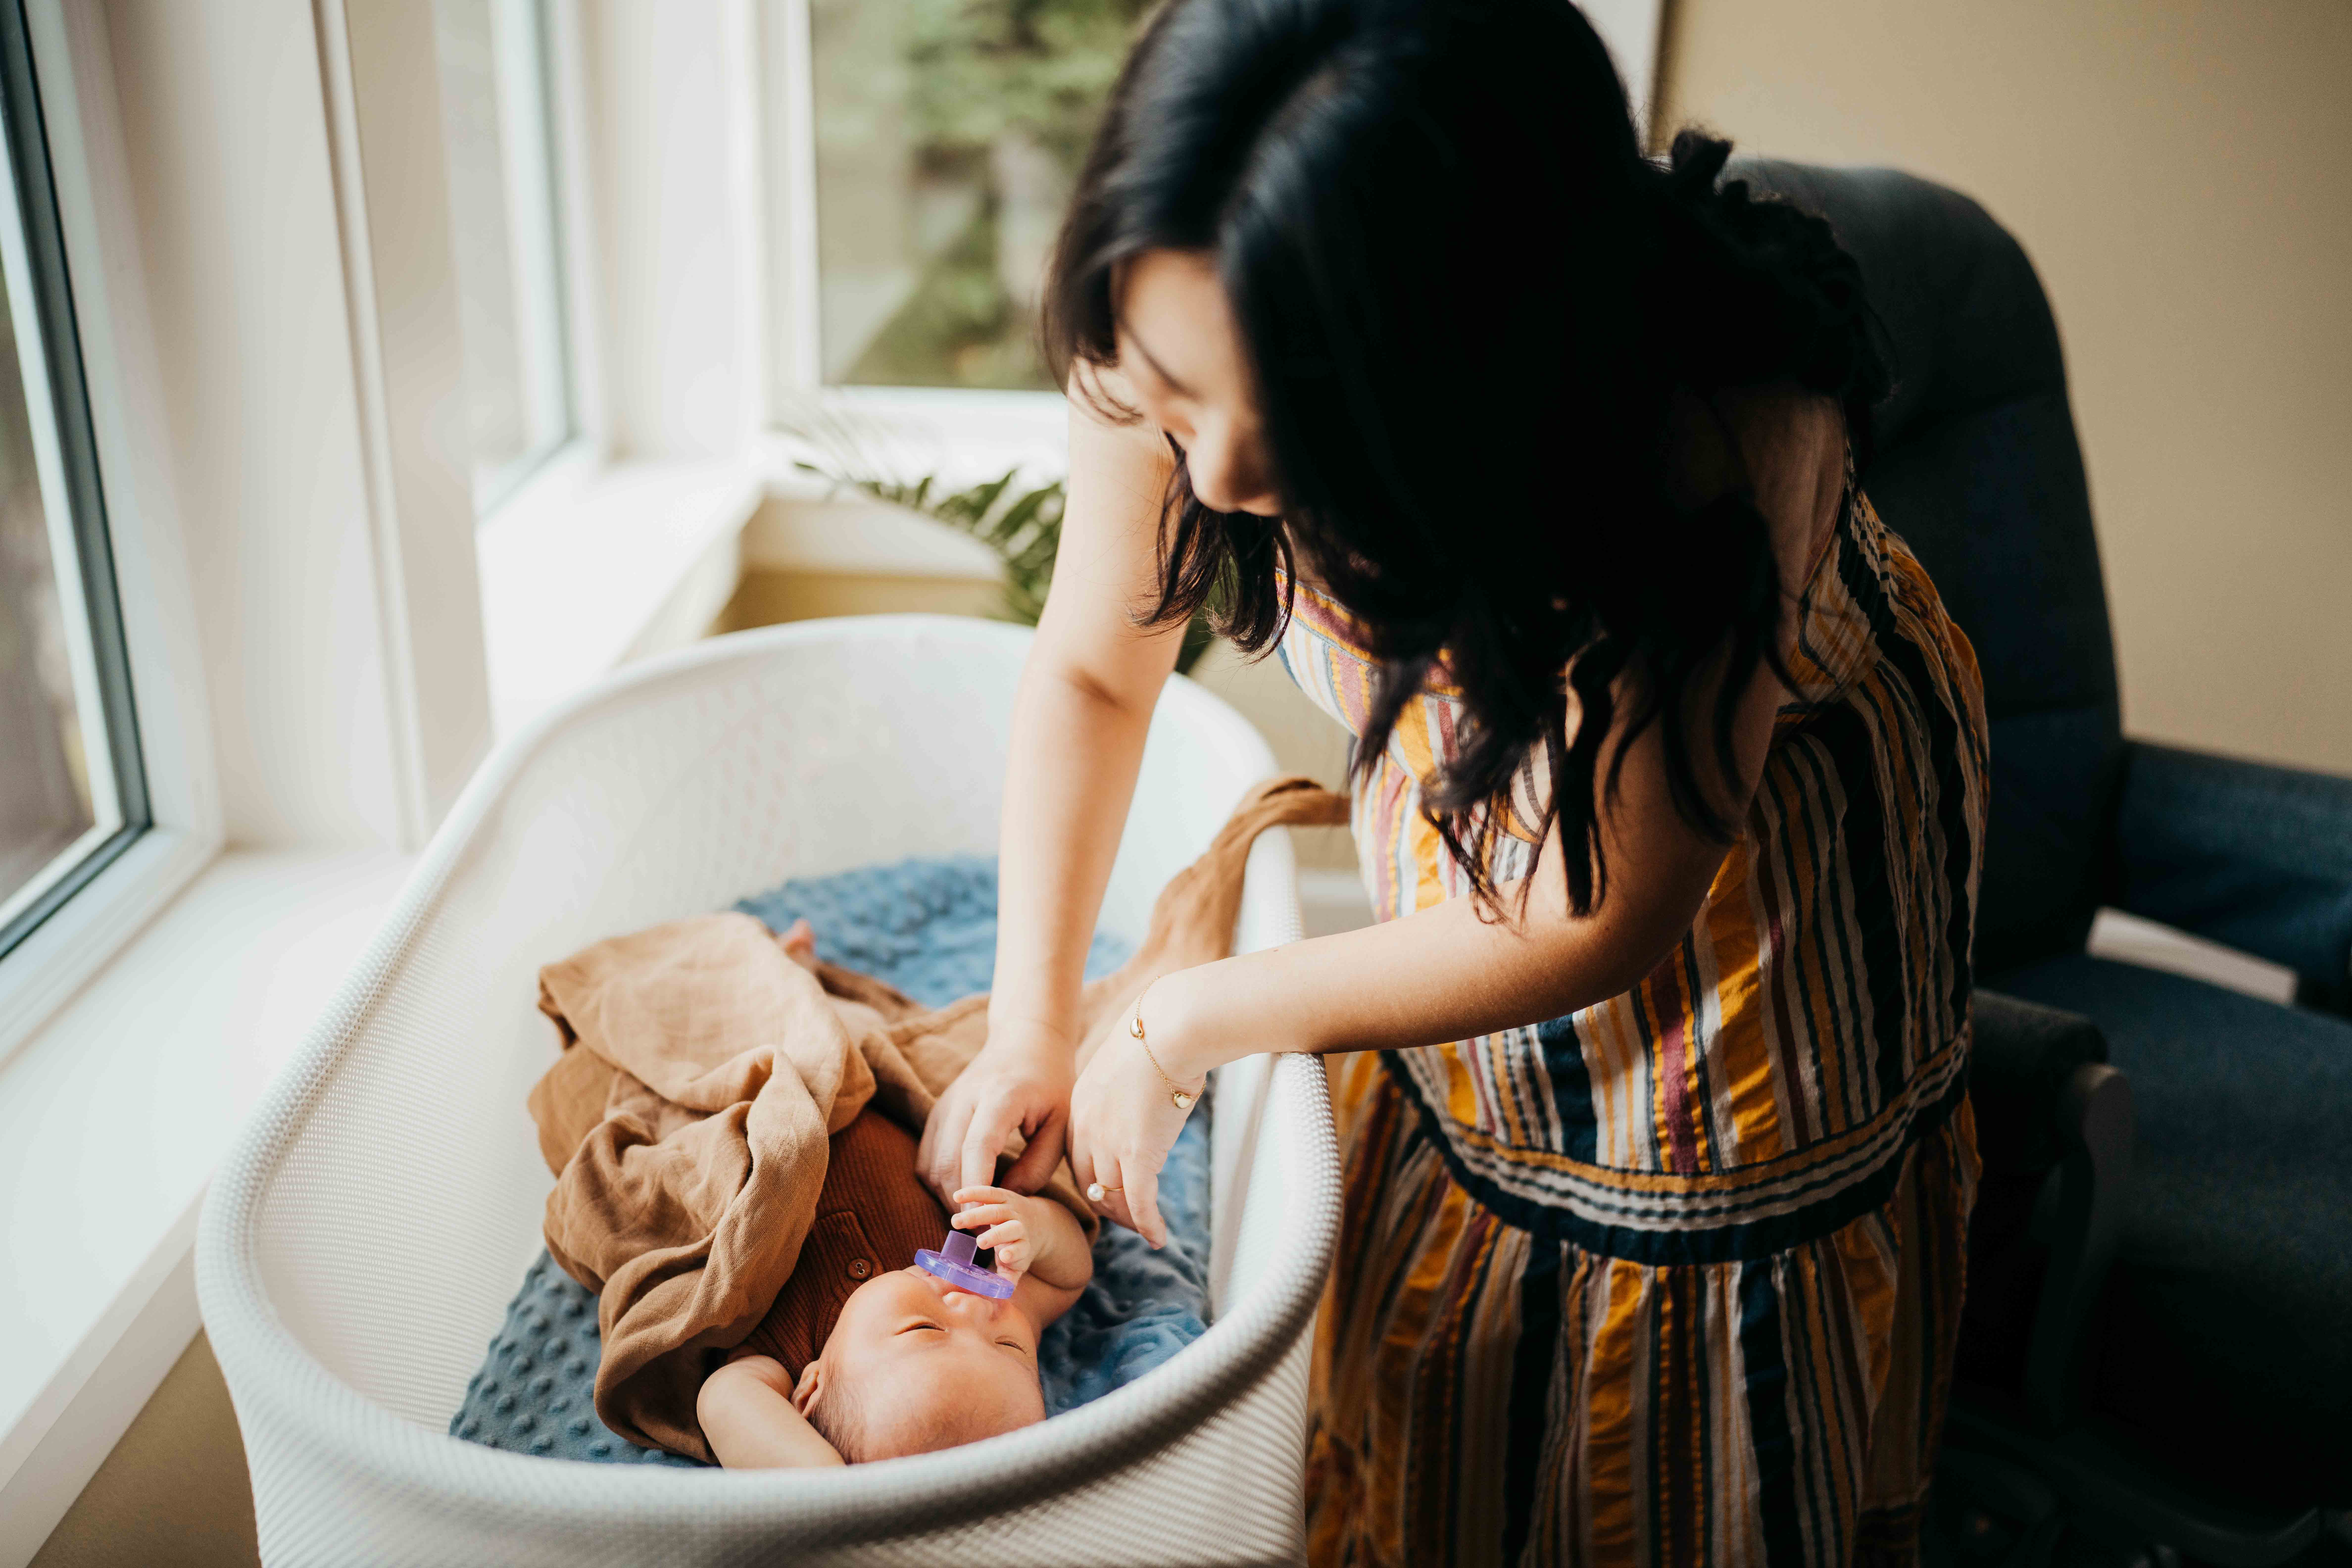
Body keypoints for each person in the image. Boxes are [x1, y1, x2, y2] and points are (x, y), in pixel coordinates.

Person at [917, 0, 1987, 1562]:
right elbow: (1093, 667)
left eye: (1296, 435)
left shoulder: (1709, 436)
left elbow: (1594, 916)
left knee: (1654, 1436)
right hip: (1498, 863)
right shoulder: (1178, 299)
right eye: (1167, 399)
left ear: (1471, 370)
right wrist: (1031, 1023)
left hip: (1735, 945)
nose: (1210, 479)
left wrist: (1178, 1015)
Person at [695, 919, 1096, 1468]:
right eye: (1013, 1348)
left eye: (924, 1328)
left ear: (809, 1393)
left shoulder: (784, 1356)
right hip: (866, 1090)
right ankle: (803, 975)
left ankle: (779, 973)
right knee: (845, 1029)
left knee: (730, 1024)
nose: (974, 1311)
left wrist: (826, 1488)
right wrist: (1034, 1225)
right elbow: (1069, 1274)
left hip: (757, 1107)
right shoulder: (995, 1279)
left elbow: (722, 1401)